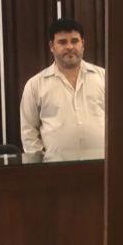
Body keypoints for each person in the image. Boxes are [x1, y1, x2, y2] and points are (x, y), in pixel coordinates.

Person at [20, 18, 106, 155]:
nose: (70, 47)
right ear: (51, 46)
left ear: (83, 44)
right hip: (55, 165)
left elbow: (118, 121)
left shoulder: (104, 77)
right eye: (62, 42)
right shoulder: (35, 85)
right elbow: (28, 132)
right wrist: (40, 162)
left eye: (74, 41)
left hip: (103, 163)